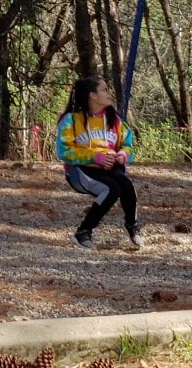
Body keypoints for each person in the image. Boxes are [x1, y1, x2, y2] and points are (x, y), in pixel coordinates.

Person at [55, 75, 141, 248]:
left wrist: (122, 155)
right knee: (110, 189)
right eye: (104, 90)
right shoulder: (71, 120)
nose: (109, 94)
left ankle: (132, 225)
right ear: (92, 95)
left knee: (126, 185)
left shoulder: (115, 120)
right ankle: (83, 231)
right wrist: (94, 157)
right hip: (81, 171)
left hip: (110, 168)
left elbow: (128, 145)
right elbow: (64, 151)